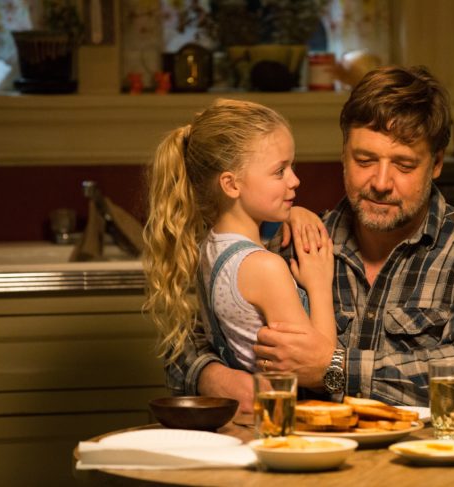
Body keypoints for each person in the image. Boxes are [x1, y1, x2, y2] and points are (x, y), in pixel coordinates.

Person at [166, 65, 454, 413]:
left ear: (436, 164)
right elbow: (186, 339)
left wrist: (334, 367)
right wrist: (213, 378)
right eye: (365, 160)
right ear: (342, 154)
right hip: (310, 465)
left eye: (403, 165)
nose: (381, 183)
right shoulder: (291, 241)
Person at [143, 99, 337, 412]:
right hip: (281, 423)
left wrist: (291, 213)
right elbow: (319, 366)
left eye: (292, 167)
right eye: (279, 171)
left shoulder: (210, 247)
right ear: (231, 185)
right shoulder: (264, 268)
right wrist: (319, 284)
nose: (295, 180)